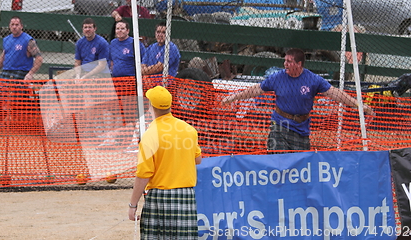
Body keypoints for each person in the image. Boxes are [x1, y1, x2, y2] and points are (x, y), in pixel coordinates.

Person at [221, 48, 375, 152]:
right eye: (285, 61)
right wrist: (233, 97)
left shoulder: (313, 80)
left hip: (301, 129)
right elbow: (255, 89)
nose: (285, 64)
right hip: (280, 125)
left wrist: (358, 105)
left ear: (299, 64)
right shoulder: (277, 77)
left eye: (289, 62)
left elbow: (335, 93)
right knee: (278, 160)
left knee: (300, 165)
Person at [128, 86, 202, 239]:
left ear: (150, 106)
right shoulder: (189, 130)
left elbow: (143, 175)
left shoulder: (149, 135)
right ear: (169, 106)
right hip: (185, 195)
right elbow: (198, 159)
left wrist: (133, 205)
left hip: (159, 197)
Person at [0, 16, 43, 131]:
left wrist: (30, 74)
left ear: (21, 26)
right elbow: (3, 58)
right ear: (9, 26)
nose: (14, 27)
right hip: (6, 72)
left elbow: (39, 59)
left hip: (20, 72)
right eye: (12, 24)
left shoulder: (28, 40)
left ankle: (7, 119)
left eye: (17, 24)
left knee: (12, 98)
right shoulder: (6, 40)